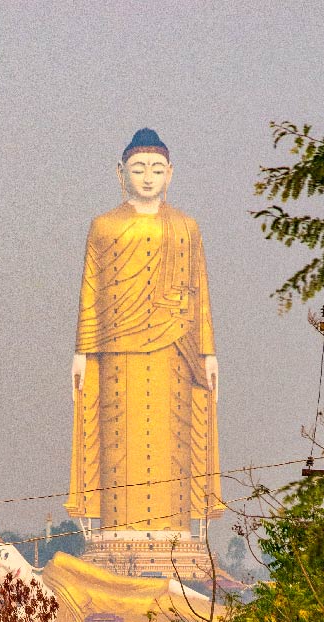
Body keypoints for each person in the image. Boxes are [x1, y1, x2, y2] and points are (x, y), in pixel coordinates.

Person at [67, 128, 222, 543]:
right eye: (139, 169)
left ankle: (176, 533)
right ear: (120, 174)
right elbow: (89, 291)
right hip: (117, 349)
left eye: (156, 169)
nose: (148, 177)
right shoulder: (103, 226)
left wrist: (208, 353)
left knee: (174, 442)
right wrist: (82, 351)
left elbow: (201, 291)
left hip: (176, 349)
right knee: (120, 443)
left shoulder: (187, 227)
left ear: (171, 173)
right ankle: (118, 532)